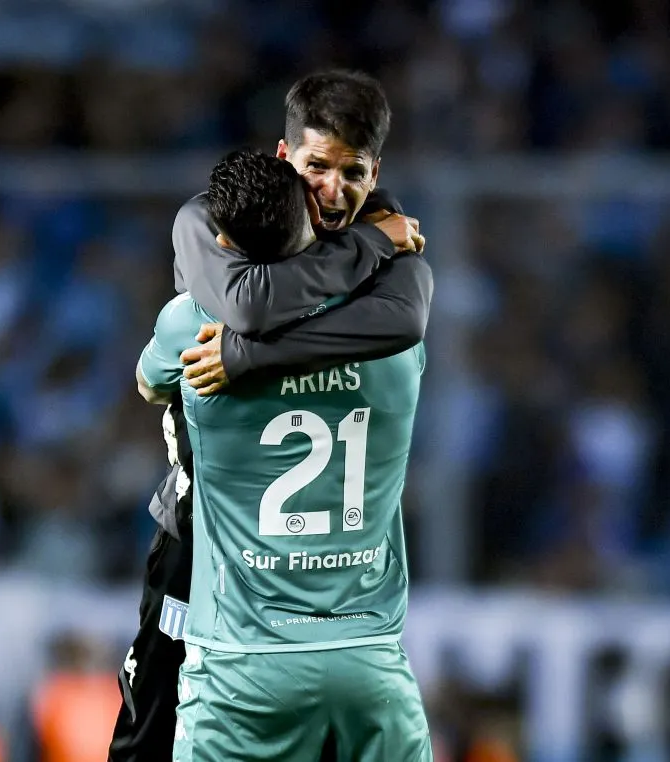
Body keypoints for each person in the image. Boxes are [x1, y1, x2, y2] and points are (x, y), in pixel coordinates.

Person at [108, 70, 428, 762]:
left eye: (353, 172)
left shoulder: (194, 317)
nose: (334, 192)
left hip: (242, 623)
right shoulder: (387, 287)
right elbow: (272, 305)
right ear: (287, 160)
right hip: (221, 558)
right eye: (318, 168)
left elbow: (153, 378)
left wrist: (248, 360)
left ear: (376, 172)